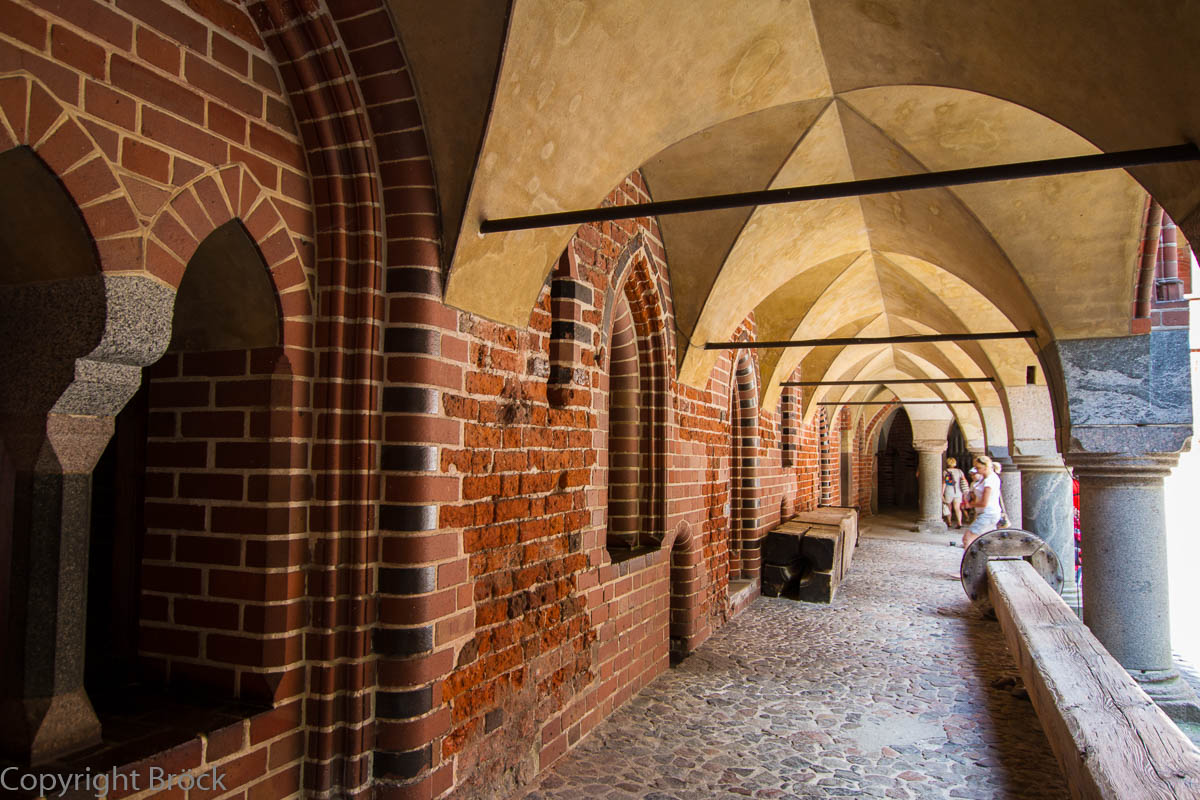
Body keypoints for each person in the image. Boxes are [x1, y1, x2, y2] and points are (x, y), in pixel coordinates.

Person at [961, 455, 1002, 549]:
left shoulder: (990, 481)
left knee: (967, 539)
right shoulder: (984, 478)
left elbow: (984, 502)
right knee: (986, 542)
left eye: (978, 467)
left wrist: (969, 505)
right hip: (985, 513)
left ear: (986, 467)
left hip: (988, 513)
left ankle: (970, 562)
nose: (976, 470)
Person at [942, 457, 966, 528]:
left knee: (949, 507)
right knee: (957, 508)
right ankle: (959, 523)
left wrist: (941, 493)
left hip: (949, 491)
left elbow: (944, 483)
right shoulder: (959, 471)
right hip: (958, 492)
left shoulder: (946, 471)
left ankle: (949, 522)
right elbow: (964, 481)